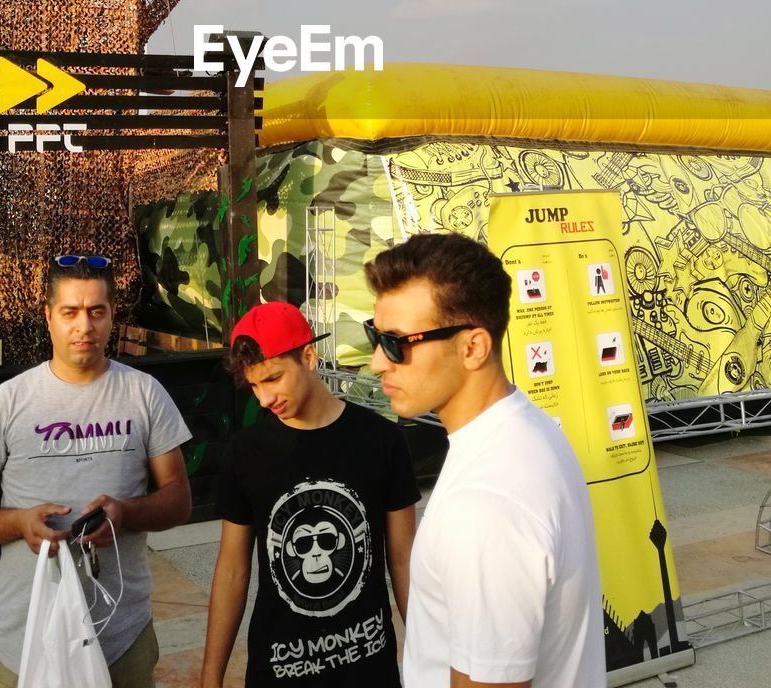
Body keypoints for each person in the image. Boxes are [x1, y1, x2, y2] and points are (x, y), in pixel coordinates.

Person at [364, 233, 604, 688]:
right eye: (374, 335)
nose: (378, 361)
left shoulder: (484, 504)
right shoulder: (526, 431)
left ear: (473, 347)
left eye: (396, 342)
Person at [0, 254, 193, 688]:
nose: (85, 326)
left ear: (112, 315)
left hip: (122, 640)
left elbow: (179, 499)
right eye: (70, 312)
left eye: (97, 311)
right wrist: (20, 522)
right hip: (25, 642)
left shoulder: (145, 394)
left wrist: (125, 513)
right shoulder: (10, 402)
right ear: (48, 316)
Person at [200, 302, 419, 688]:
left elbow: (404, 562)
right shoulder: (245, 452)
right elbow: (232, 569)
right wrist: (210, 678)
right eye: (254, 385)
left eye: (273, 379)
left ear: (309, 356)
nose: (264, 399)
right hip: (279, 672)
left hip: (368, 672)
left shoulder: (381, 441)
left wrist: (431, 650)